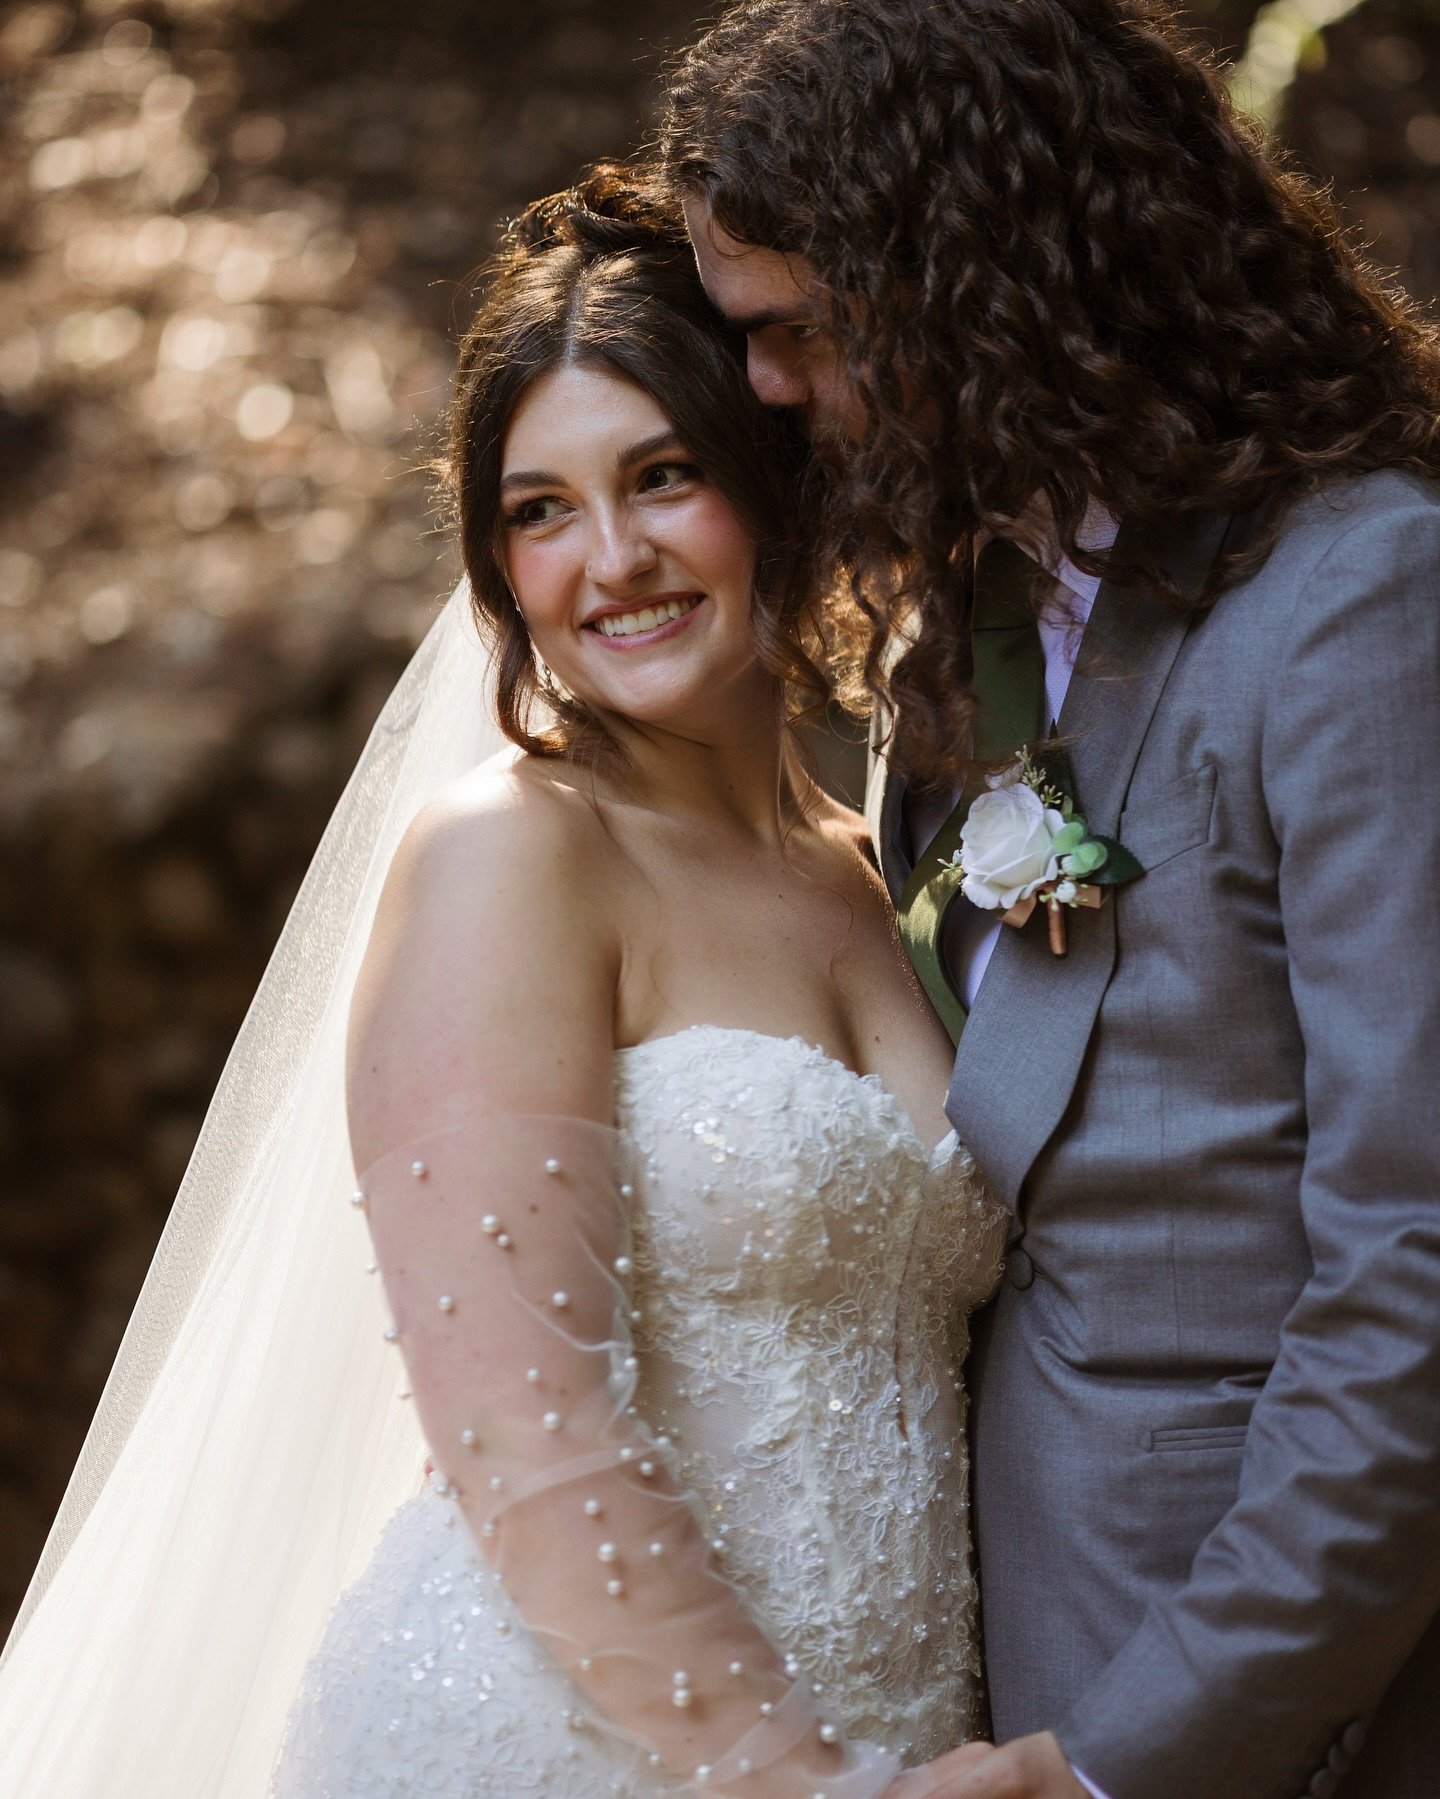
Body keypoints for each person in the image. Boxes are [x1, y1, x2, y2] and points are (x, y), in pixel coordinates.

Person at [0, 166, 1008, 1797]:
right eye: (541, 510)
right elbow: (528, 1440)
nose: (610, 560)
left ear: (773, 481)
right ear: (494, 564)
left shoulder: (871, 858)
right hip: (583, 1751)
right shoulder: (513, 859)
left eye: (663, 477)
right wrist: (817, 1781)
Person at [661, 4, 1440, 1799]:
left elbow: (1413, 1270)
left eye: (801, 330)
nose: (766, 389)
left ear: (971, 277)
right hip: (978, 1635)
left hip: (1254, 1696)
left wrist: (1124, 1755)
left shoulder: (1358, 601)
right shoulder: (974, 616)